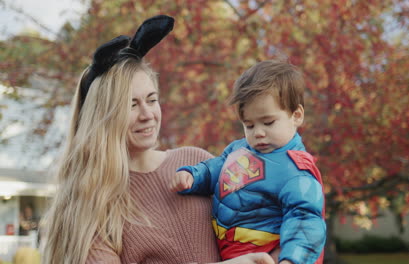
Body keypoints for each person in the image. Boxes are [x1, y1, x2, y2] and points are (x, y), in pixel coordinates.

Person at [40, 15, 274, 264]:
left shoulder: (198, 162)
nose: (147, 115)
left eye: (152, 100)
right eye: (131, 105)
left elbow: (256, 226)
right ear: (104, 116)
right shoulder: (91, 203)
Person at [170, 60, 327, 264]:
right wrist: (192, 176)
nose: (258, 133)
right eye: (249, 125)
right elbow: (217, 170)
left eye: (268, 122)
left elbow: (305, 220)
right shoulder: (239, 149)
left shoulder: (296, 171)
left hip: (265, 255)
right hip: (228, 251)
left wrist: (291, 260)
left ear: (296, 115)